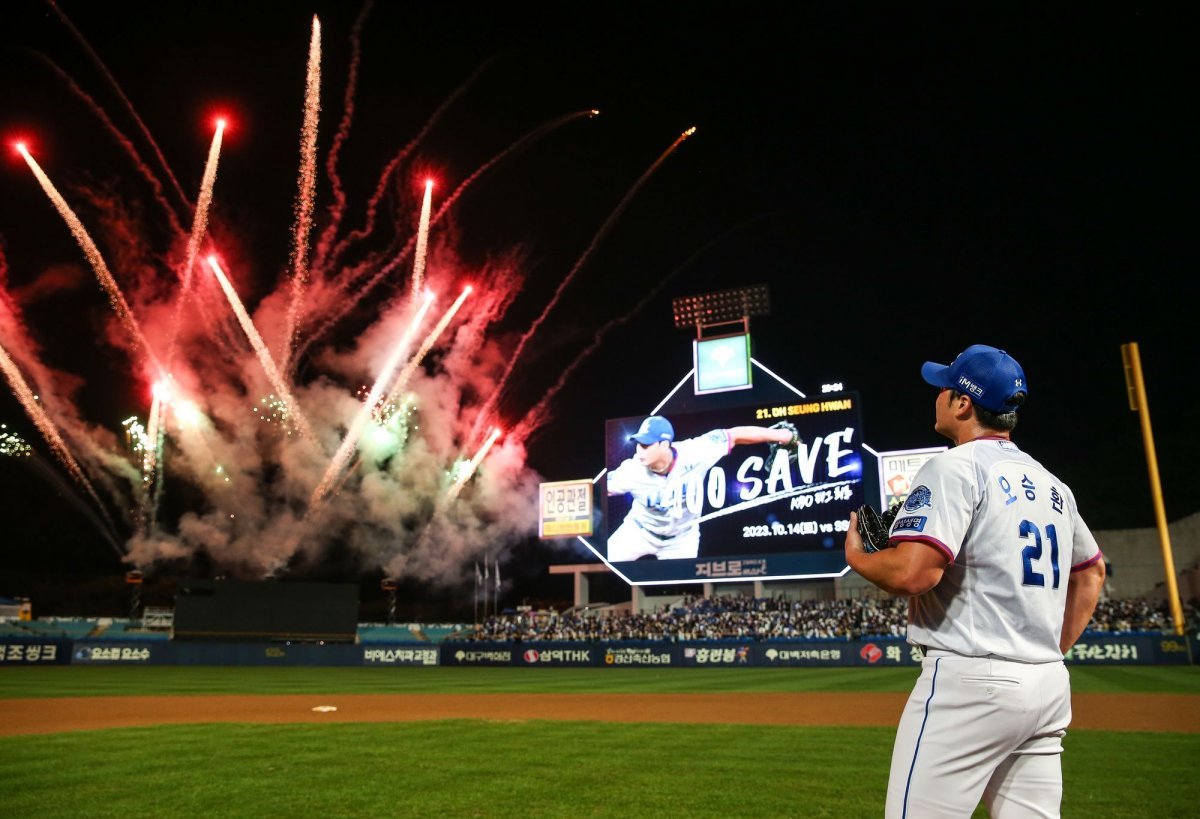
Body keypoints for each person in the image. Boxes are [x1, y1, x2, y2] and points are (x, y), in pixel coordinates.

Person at [844, 344, 1105, 818]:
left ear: (963, 402)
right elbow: (1092, 573)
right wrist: (1046, 650)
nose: (938, 395)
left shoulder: (954, 467)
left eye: (944, 387)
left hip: (970, 682)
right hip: (1046, 683)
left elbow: (912, 573)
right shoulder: (1052, 485)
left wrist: (858, 557)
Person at [606, 414, 797, 561]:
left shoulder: (696, 452)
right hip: (638, 532)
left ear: (664, 444)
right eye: (638, 444)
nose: (639, 451)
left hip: (681, 541)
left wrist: (783, 435)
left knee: (682, 591)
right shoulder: (631, 471)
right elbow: (596, 491)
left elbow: (735, 434)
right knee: (605, 560)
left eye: (646, 445)